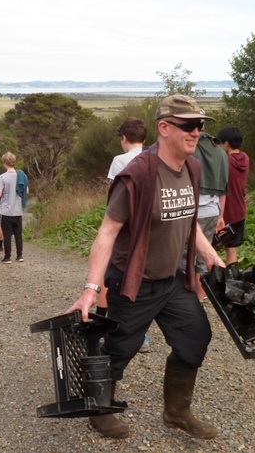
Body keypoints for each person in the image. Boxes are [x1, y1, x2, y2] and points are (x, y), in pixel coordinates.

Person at [65, 94, 225, 440]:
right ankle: (99, 409)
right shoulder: (137, 175)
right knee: (120, 348)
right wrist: (91, 290)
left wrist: (209, 253)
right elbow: (107, 233)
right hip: (135, 283)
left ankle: (176, 412)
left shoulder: (193, 168)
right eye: (188, 125)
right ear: (164, 128)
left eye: (199, 125)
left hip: (173, 281)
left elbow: (189, 220)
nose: (196, 132)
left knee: (196, 337)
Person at [103, 117, 151, 353]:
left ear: (123, 138)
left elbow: (112, 194)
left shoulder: (119, 160)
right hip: (149, 227)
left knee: (115, 278)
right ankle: (142, 336)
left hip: (124, 227)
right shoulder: (153, 157)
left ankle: (111, 331)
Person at [184, 132, 229, 300]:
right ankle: (200, 300)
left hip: (191, 212)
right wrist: (221, 215)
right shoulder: (220, 152)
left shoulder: (189, 149)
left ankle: (185, 299)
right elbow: (224, 189)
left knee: (184, 258)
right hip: (212, 212)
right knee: (204, 259)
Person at [217, 126, 250, 267]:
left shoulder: (225, 161)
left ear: (226, 143)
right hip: (240, 210)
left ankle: (216, 277)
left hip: (225, 212)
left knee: (211, 249)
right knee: (231, 248)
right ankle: (232, 277)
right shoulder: (245, 158)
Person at [0, 152, 27, 263]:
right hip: (18, 210)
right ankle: (20, 255)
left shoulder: (2, 177)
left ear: (4, 162)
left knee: (7, 235)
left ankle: (7, 256)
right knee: (18, 234)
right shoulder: (21, 176)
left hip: (6, 210)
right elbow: (26, 191)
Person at [107, 117, 147, 183]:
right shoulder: (156, 157)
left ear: (124, 138)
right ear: (144, 141)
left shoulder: (119, 160)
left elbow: (116, 188)